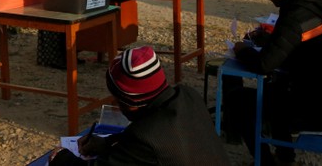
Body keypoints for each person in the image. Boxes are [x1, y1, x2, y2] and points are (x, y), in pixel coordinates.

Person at [223, 0, 322, 166]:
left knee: (239, 101)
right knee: (274, 90)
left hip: (314, 109)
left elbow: (264, 64)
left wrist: (243, 50)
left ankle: (265, 162)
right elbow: (300, 44)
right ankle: (285, 156)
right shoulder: (315, 3)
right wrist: (270, 40)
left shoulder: (293, 16)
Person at [48, 45, 231, 166]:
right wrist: (106, 143)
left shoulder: (146, 138)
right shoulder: (188, 96)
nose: (116, 105)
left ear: (132, 103)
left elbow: (145, 141)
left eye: (118, 100)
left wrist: (61, 158)